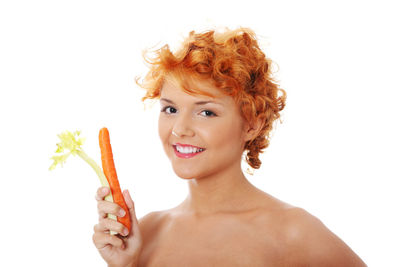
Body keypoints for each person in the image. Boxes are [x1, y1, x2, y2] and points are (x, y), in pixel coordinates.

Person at [92, 27, 367, 266]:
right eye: (171, 109)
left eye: (206, 112)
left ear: (251, 125)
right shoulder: (148, 232)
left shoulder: (294, 231)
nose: (180, 129)